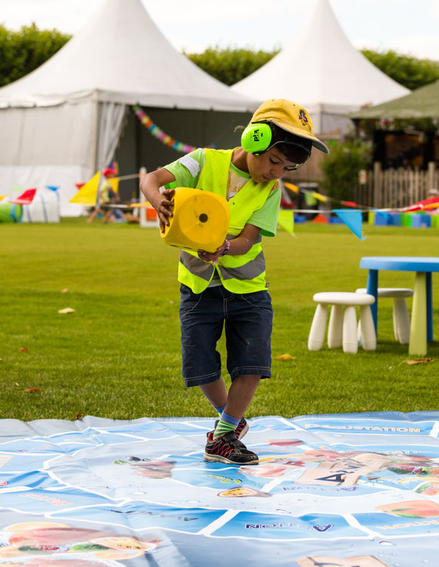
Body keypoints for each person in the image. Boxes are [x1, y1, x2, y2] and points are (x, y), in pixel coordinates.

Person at [140, 99, 329, 465]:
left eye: (286, 168)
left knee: (252, 363)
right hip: (197, 286)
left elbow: (251, 238)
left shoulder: (271, 191)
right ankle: (232, 422)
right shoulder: (203, 161)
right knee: (201, 369)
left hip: (249, 288)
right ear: (254, 138)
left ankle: (223, 436)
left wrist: (225, 247)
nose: (276, 173)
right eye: (273, 161)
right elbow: (152, 179)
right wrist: (156, 201)